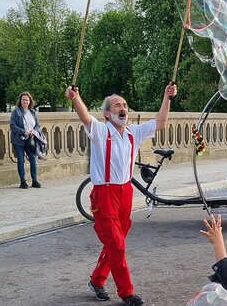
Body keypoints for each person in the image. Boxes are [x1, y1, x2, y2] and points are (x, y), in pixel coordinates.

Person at [65, 83, 177, 306]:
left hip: (125, 191)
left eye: (124, 104)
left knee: (117, 242)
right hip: (104, 193)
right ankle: (127, 293)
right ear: (107, 113)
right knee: (116, 244)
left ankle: (96, 281)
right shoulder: (100, 130)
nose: (122, 108)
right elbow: (86, 118)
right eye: (117, 105)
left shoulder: (133, 132)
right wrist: (75, 98)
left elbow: (161, 122)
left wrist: (167, 97)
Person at [9, 91, 44, 189]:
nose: (25, 101)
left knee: (33, 160)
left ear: (30, 101)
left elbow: (37, 125)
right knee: (21, 160)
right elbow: (12, 125)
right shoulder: (16, 112)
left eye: (27, 100)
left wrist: (33, 132)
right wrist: (23, 131)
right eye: (23, 99)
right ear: (20, 101)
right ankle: (23, 181)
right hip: (18, 140)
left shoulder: (32, 112)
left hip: (30, 140)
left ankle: (34, 180)